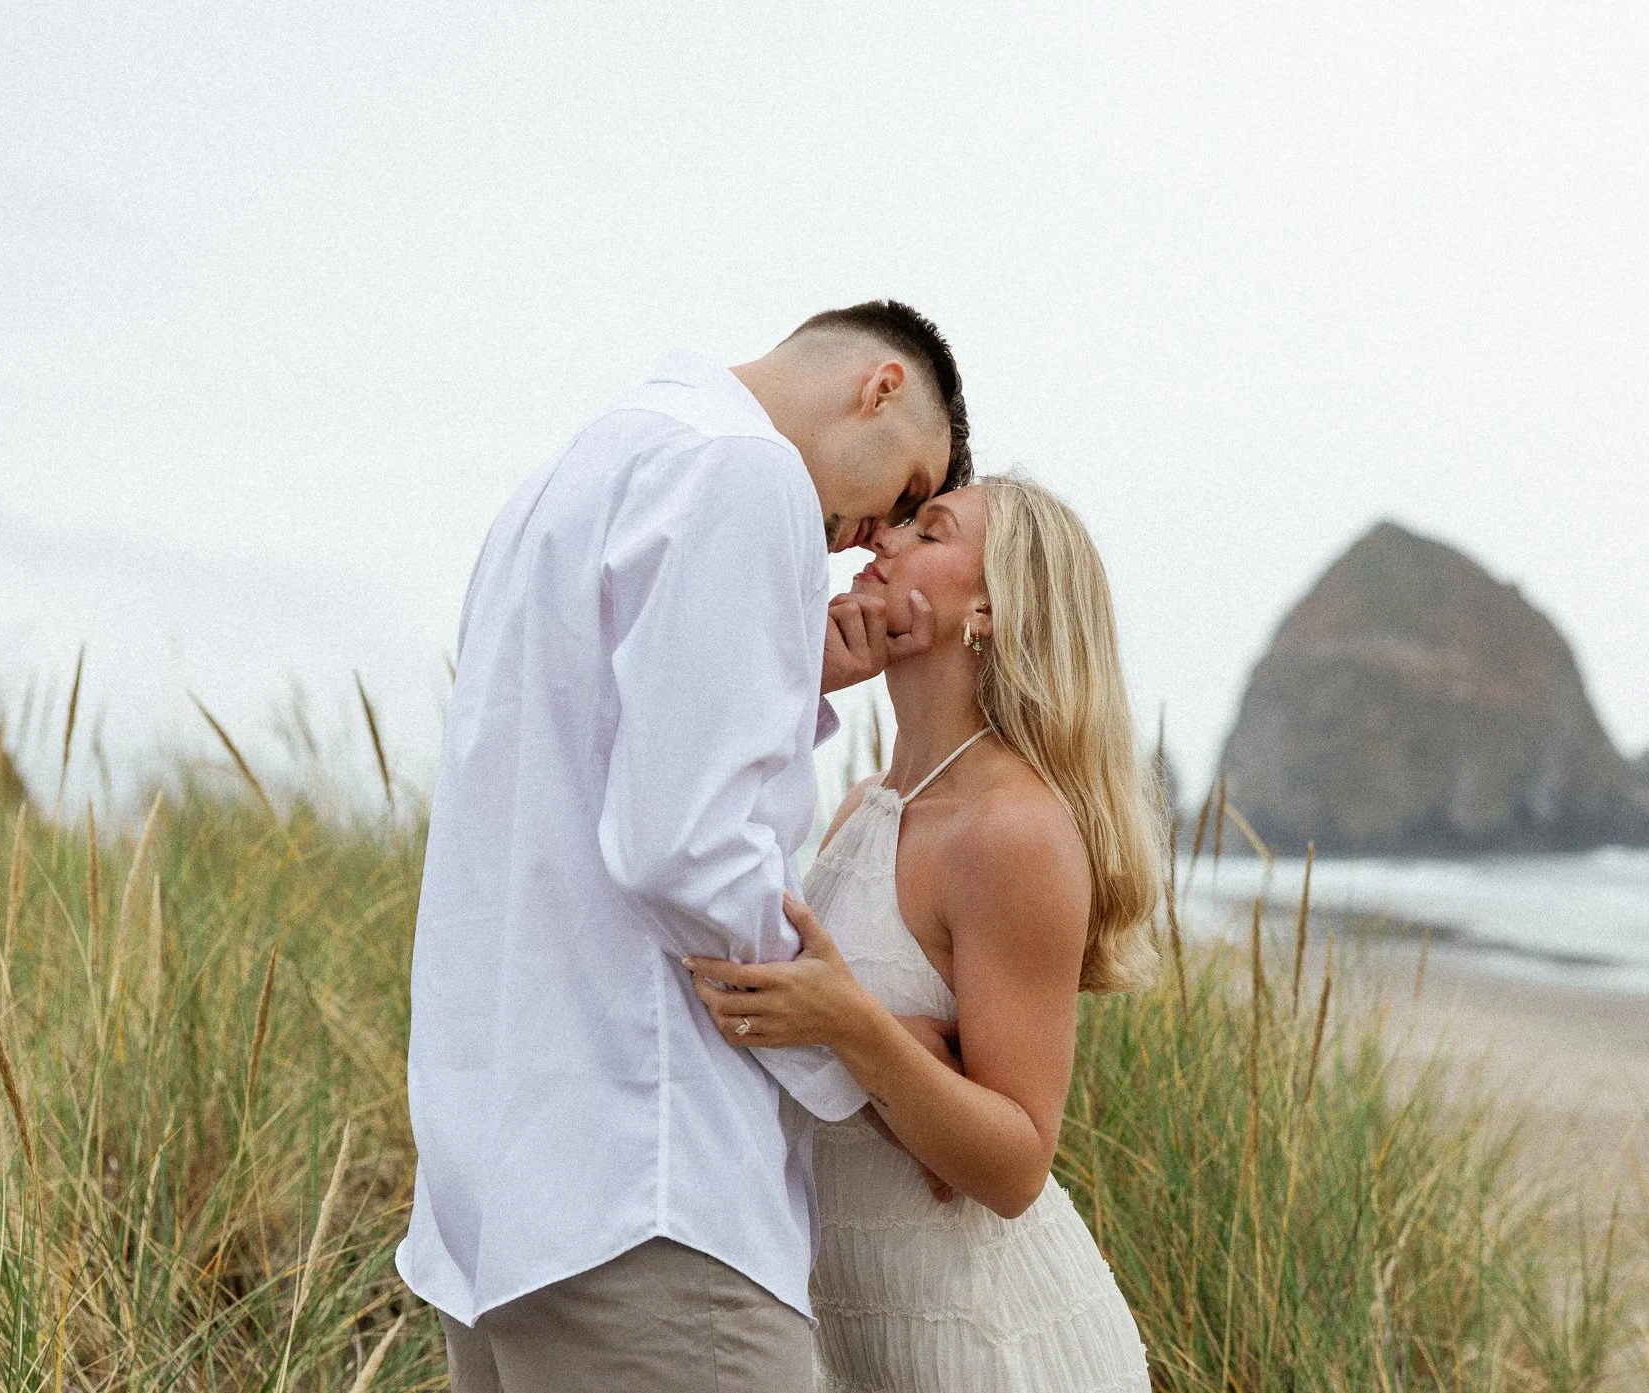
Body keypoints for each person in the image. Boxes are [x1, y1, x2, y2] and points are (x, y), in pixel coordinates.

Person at [398, 302, 970, 1392]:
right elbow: (685, 849)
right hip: (648, 1196)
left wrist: (784, 673)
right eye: (906, 492)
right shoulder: (748, 476)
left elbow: (578, 767)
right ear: (882, 386)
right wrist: (854, 1059)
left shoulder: (573, 476)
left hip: (498, 1196)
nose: (871, 538)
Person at [685, 476, 1159, 1391]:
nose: (883, 543)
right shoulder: (867, 804)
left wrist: (855, 1028)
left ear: (989, 606)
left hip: (989, 1343)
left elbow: (1017, 1163)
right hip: (867, 1335)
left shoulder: (1010, 826)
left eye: (928, 531)